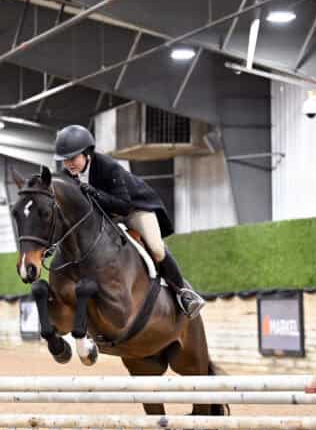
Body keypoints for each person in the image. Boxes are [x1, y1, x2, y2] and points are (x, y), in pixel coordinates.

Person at [53, 124, 205, 318]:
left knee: (157, 249)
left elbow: (123, 205)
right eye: (65, 161)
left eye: (73, 159)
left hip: (134, 208)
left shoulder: (108, 167)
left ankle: (184, 294)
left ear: (87, 153)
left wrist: (96, 195)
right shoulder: (68, 176)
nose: (69, 164)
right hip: (105, 215)